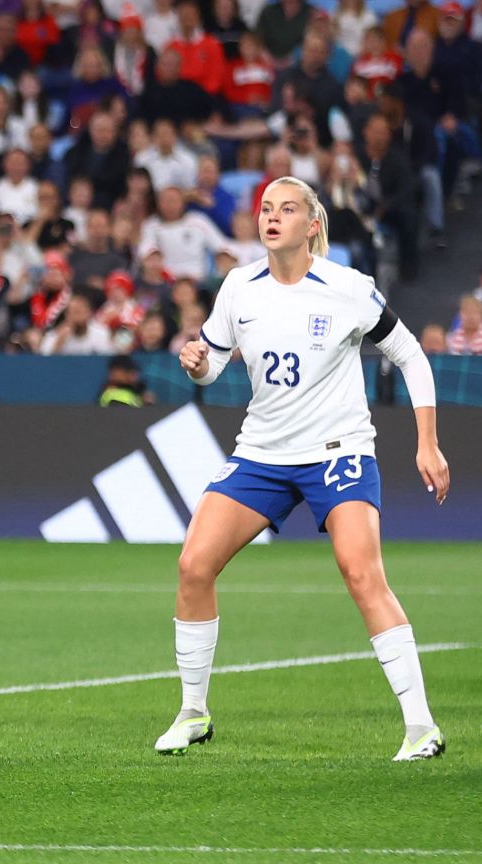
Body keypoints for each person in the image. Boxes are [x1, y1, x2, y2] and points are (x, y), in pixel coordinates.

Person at [158, 177, 450, 762]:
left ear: (311, 224)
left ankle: (421, 728)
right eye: (266, 208)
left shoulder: (347, 287)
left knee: (361, 574)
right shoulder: (239, 286)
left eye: (286, 209)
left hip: (339, 451)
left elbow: (410, 353)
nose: (272, 217)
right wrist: (195, 363)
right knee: (193, 565)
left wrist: (428, 443)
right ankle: (193, 712)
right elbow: (211, 367)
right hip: (262, 453)